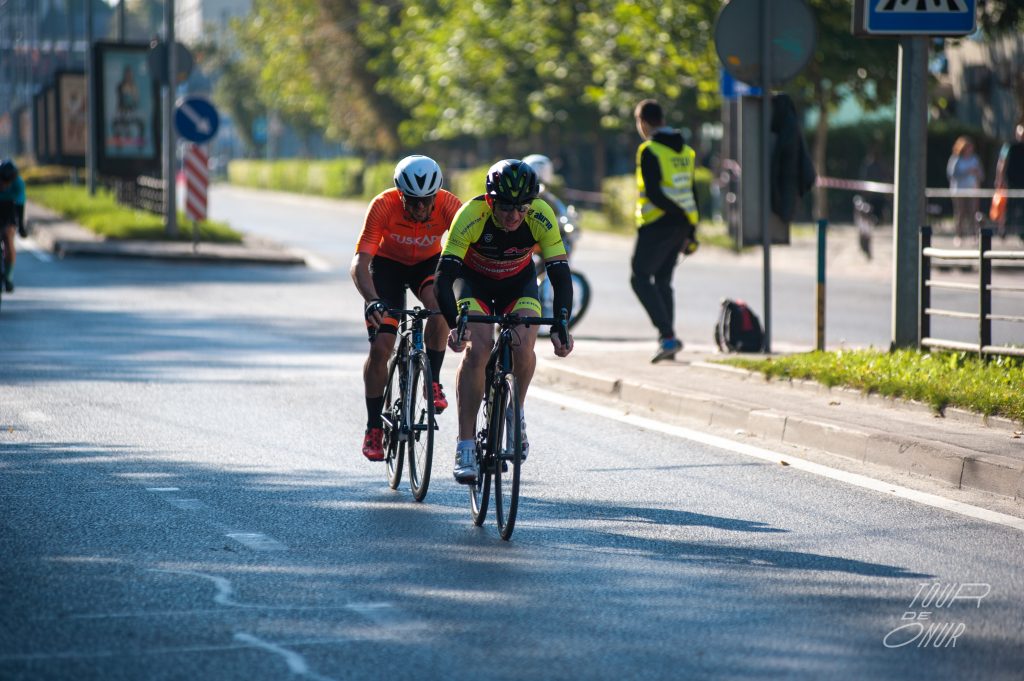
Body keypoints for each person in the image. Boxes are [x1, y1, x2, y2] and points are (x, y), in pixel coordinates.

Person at [434, 159, 574, 484]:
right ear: (489, 200)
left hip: (518, 283)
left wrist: (562, 324)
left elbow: (560, 274)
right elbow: (443, 279)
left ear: (532, 204)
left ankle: (516, 412)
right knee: (478, 349)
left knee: (524, 343)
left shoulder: (541, 215)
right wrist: (455, 324)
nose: (513, 215)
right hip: (475, 284)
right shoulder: (470, 216)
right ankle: (465, 444)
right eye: (505, 206)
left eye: (521, 207)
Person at [350, 155, 463, 461]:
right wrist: (372, 299)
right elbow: (360, 263)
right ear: (401, 194)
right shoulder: (383, 205)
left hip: (427, 264)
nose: (421, 209)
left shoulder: (451, 206)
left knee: (440, 307)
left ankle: (433, 381)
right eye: (413, 202)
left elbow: (473, 248)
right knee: (381, 347)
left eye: (427, 201)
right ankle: (374, 426)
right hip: (387, 269)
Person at [631, 99, 699, 363]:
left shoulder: (649, 150)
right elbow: (691, 192)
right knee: (661, 280)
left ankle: (668, 336)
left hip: (658, 223)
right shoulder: (686, 151)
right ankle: (668, 339)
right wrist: (691, 229)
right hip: (680, 224)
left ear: (644, 122)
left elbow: (655, 193)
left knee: (639, 277)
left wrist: (677, 217)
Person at [946, 136, 984, 246]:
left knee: (973, 213)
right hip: (959, 191)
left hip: (973, 191)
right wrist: (967, 171)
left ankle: (975, 236)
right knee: (960, 213)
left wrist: (977, 173)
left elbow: (981, 174)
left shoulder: (974, 159)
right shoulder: (955, 159)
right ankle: (959, 235)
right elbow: (951, 174)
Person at [0, 159, 27, 293]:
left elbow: (20, 206)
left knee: (8, 236)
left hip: (9, 209)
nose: (4, 185)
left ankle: (9, 276)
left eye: (7, 183)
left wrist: (21, 227)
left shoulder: (18, 184)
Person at [995, 118, 1024, 241]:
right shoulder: (1009, 146)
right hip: (1011, 181)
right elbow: (1002, 163)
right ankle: (1003, 229)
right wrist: (1000, 179)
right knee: (1006, 206)